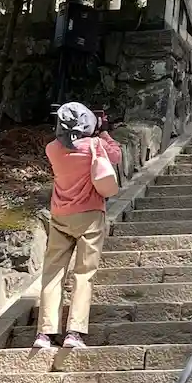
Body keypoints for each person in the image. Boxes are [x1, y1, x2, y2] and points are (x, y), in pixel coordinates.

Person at [34, 102, 122, 351]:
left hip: (60, 214)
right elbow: (116, 155)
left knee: (52, 273)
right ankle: (74, 331)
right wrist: (104, 132)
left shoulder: (52, 149)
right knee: (83, 274)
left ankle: (44, 333)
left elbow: (68, 142)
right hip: (90, 214)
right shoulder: (95, 145)